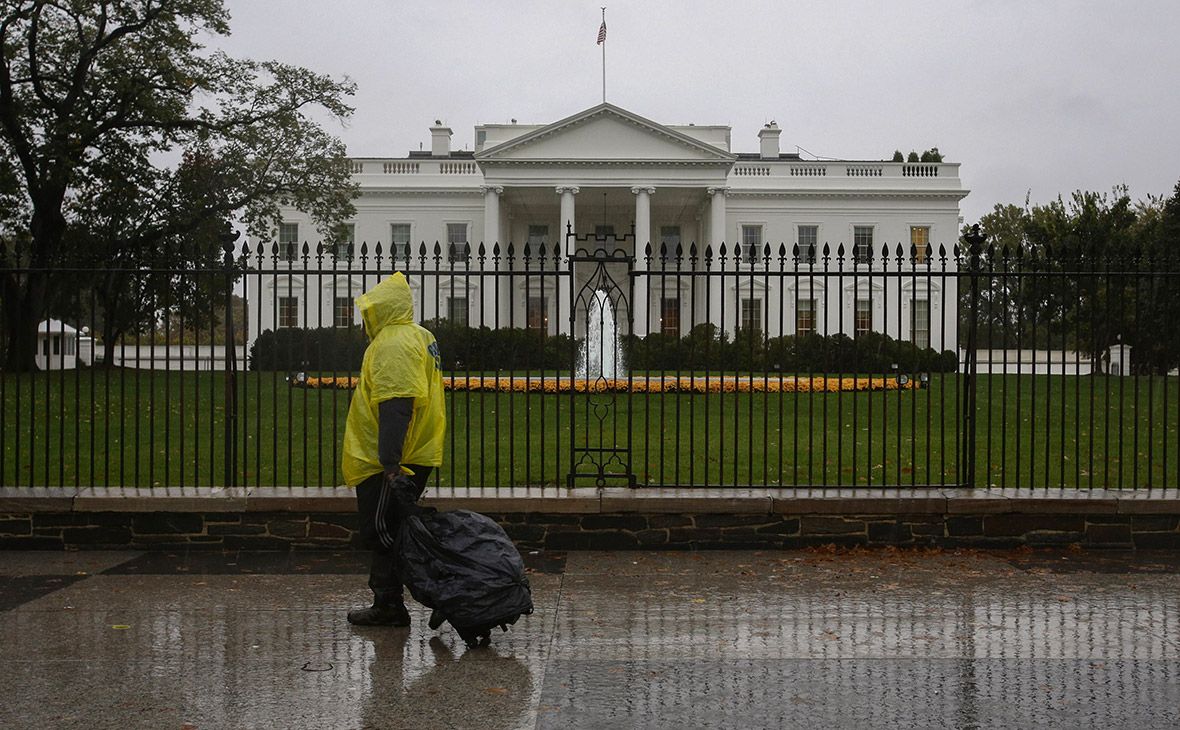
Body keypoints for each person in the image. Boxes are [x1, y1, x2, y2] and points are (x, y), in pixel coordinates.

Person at [342, 271, 445, 626]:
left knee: (383, 531)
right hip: (412, 451)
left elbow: (397, 404)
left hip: (393, 458)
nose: (366, 319)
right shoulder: (420, 336)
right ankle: (399, 600)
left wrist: (390, 464)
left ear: (384, 308)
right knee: (395, 528)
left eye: (371, 311)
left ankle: (399, 601)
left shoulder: (393, 344)